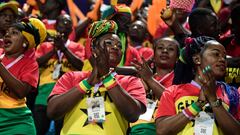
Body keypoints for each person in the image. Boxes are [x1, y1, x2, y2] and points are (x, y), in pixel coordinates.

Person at [47, 20, 147, 135]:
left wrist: (107, 78)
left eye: (119, 46)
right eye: (109, 43)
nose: (115, 47)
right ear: (94, 48)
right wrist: (88, 82)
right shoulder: (71, 77)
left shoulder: (131, 81)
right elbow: (52, 112)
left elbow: (133, 115)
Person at [155, 37, 240, 135]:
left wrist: (213, 100)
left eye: (224, 57)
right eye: (216, 54)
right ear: (197, 59)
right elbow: (161, 130)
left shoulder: (232, 94)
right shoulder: (173, 91)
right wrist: (198, 105)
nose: (222, 59)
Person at [34, 14, 85, 135]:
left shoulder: (78, 47)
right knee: (38, 131)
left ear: (72, 28)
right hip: (43, 96)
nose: (65, 24)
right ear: (56, 25)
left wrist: (64, 49)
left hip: (67, 96)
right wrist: (54, 49)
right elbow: (36, 64)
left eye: (68, 22)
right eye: (62, 22)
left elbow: (81, 66)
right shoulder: (44, 46)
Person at [0, 17, 46, 134]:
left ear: (25, 42)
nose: (7, 35)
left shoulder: (30, 64)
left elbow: (21, 92)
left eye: (14, 33)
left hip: (16, 122)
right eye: (7, 33)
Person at [129, 37, 180, 135]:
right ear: (154, 55)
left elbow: (174, 103)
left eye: (170, 49)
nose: (165, 51)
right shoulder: (140, 79)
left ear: (177, 57)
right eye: (160, 48)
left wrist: (150, 80)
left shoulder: (181, 80)